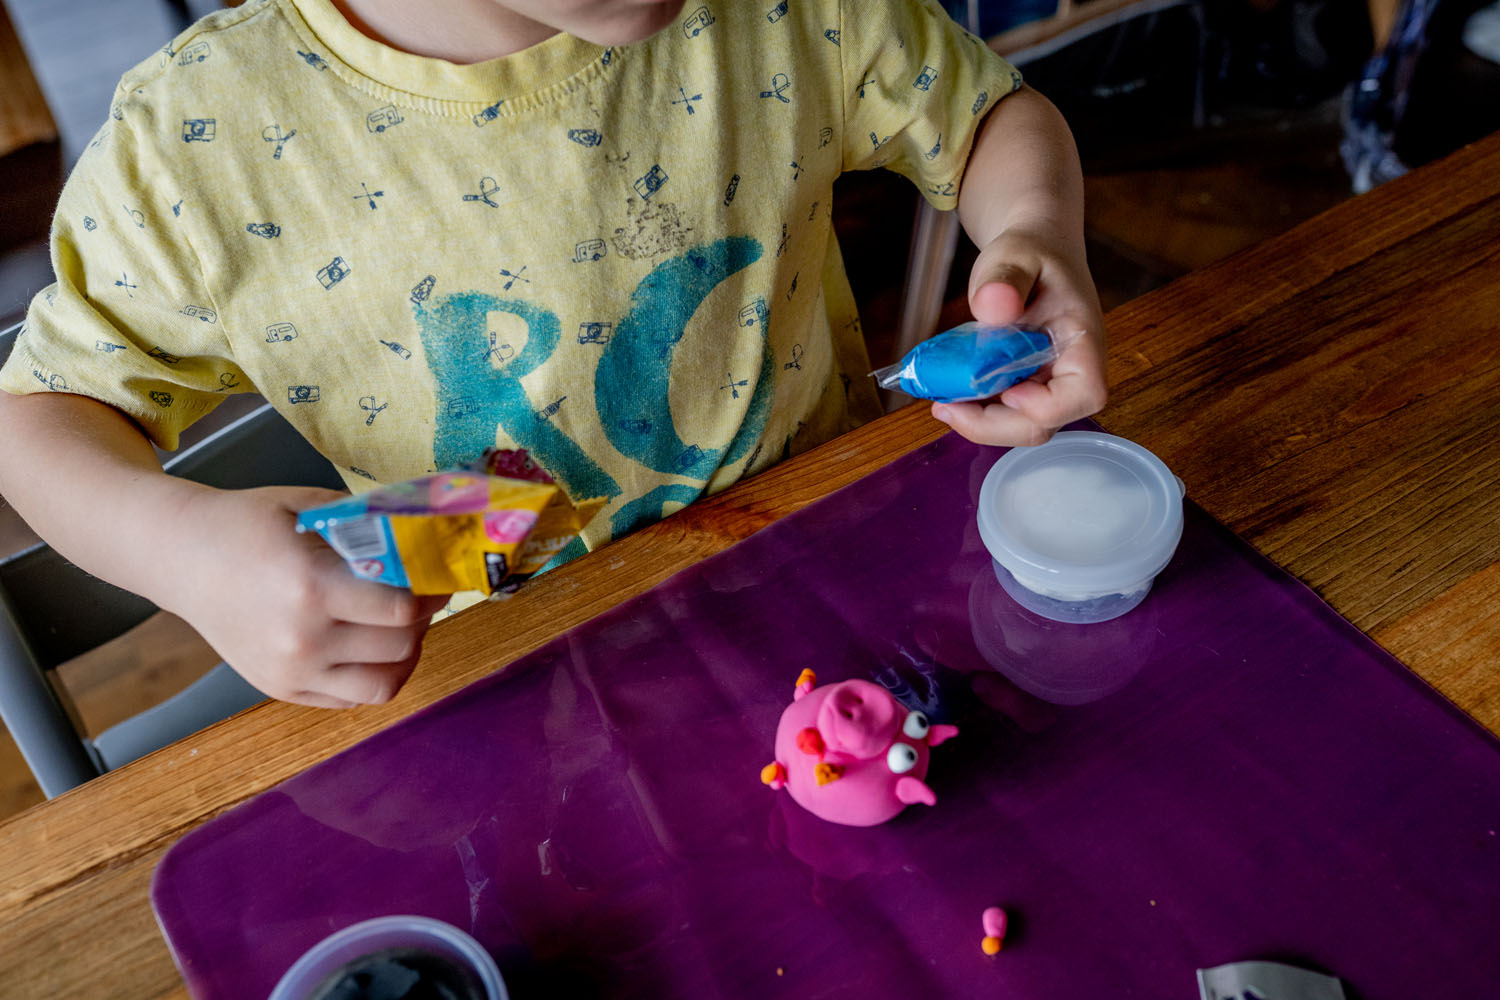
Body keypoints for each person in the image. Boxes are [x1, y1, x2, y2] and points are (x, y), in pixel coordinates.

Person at [0, 0, 1106, 708]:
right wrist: (184, 553)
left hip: (840, 589)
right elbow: (37, 415)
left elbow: (985, 117)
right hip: (517, 689)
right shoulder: (196, 146)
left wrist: (1036, 230)